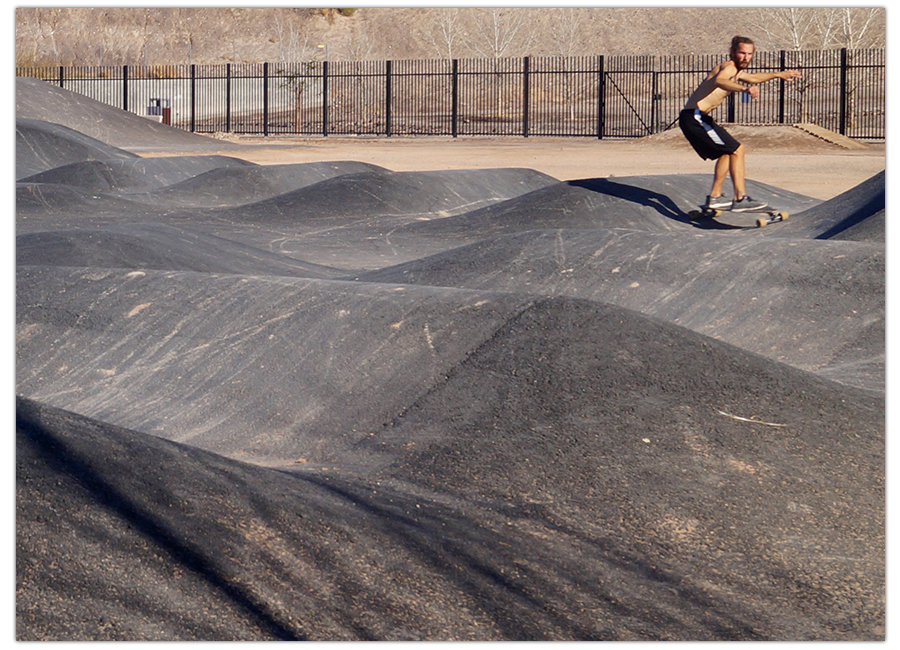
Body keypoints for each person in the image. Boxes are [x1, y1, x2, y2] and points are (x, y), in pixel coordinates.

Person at [680, 36, 801, 212]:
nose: (746, 57)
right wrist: (744, 89)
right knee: (738, 149)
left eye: (749, 54)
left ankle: (715, 197)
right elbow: (720, 81)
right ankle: (740, 198)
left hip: (698, 117)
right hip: (695, 117)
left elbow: (753, 78)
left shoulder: (736, 71)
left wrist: (779, 74)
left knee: (727, 153)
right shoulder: (728, 66)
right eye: (742, 53)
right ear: (732, 52)